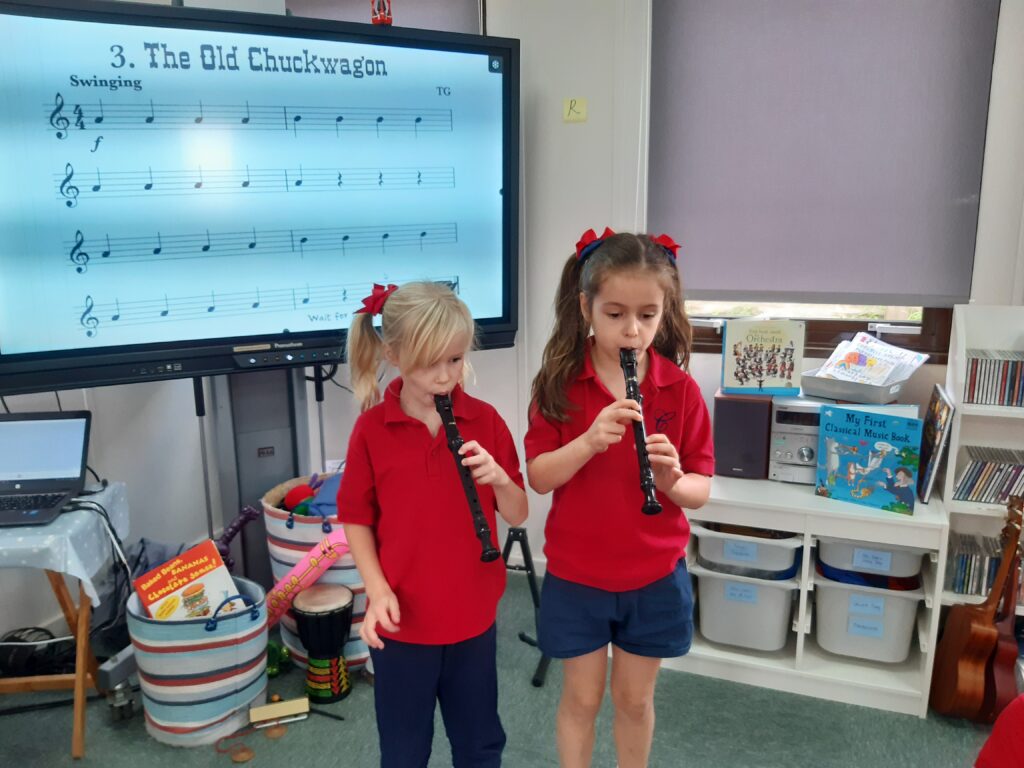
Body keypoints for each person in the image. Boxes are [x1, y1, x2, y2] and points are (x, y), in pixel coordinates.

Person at [525, 228, 714, 768]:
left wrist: (673, 480)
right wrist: (587, 442)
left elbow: (700, 489)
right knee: (582, 700)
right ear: (585, 306)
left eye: (648, 315)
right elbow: (539, 476)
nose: (633, 331)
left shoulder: (679, 389)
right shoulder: (560, 383)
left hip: (654, 574)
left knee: (634, 700)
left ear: (665, 310)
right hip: (578, 573)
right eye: (614, 315)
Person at [337, 281, 528, 768]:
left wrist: (501, 480)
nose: (447, 376)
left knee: (480, 743)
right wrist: (376, 590)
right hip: (402, 623)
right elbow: (356, 519)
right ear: (394, 354)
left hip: (471, 620)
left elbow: (518, 513)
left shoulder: (484, 421)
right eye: (431, 362)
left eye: (455, 360)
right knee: (404, 751)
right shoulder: (371, 431)